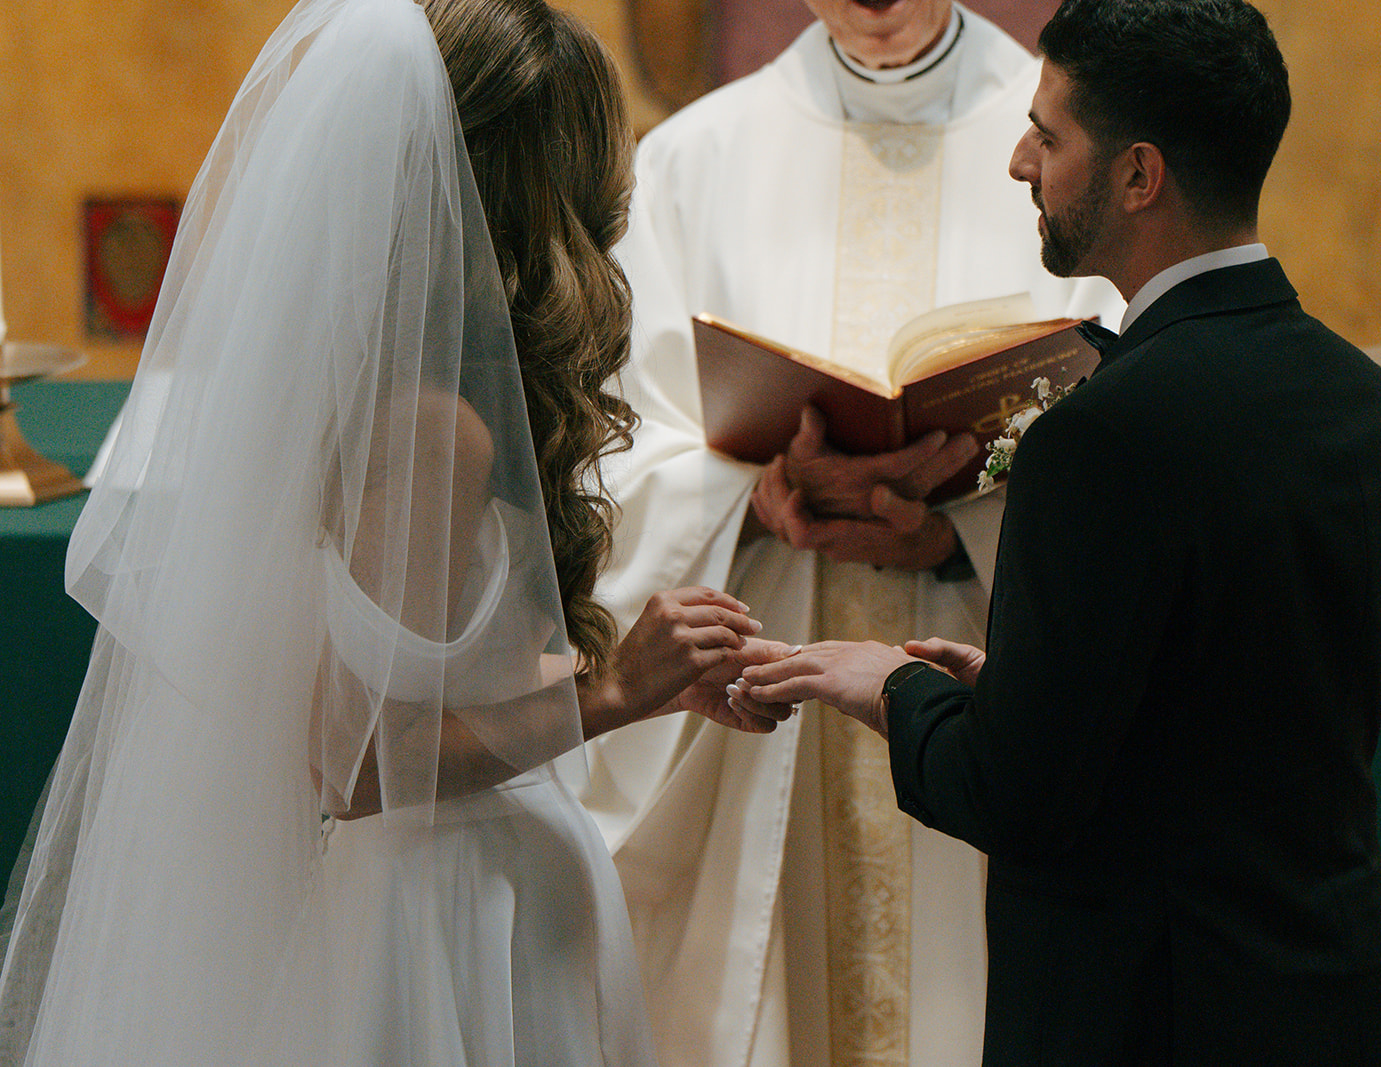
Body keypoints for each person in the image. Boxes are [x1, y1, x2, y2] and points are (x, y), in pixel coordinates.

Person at [0, 0, 791, 1063]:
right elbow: (359, 759)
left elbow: (417, 673)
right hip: (441, 908)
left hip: (452, 879)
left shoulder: (390, 385)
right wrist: (610, 693)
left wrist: (606, 667)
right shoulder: (433, 429)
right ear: (533, 185)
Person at [735, 0, 1381, 1061]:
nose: (1021, 160)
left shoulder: (1101, 435)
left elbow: (1013, 795)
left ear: (1139, 176)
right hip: (1340, 996)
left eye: (1050, 134)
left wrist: (889, 684)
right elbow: (1244, 711)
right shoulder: (1362, 401)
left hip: (1154, 1013)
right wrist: (1019, 686)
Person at [580, 3, 1125, 1064]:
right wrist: (749, 498)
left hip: (980, 679)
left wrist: (962, 532)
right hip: (764, 675)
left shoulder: (1064, 146)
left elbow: (1135, 416)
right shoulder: (694, 160)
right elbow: (610, 445)